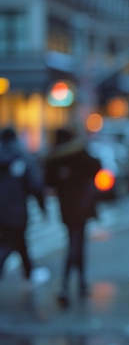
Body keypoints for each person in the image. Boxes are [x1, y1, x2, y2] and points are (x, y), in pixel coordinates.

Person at [44, 126, 101, 307]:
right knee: (78, 241)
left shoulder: (54, 158)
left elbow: (48, 181)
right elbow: (96, 166)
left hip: (66, 204)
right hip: (83, 203)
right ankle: (72, 284)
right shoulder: (79, 152)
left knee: (74, 239)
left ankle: (72, 285)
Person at [0, 126, 48, 282]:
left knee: (18, 242)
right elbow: (35, 186)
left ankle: (29, 273)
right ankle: (30, 273)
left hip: (5, 211)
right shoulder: (22, 158)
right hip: (16, 211)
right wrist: (43, 207)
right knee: (10, 243)